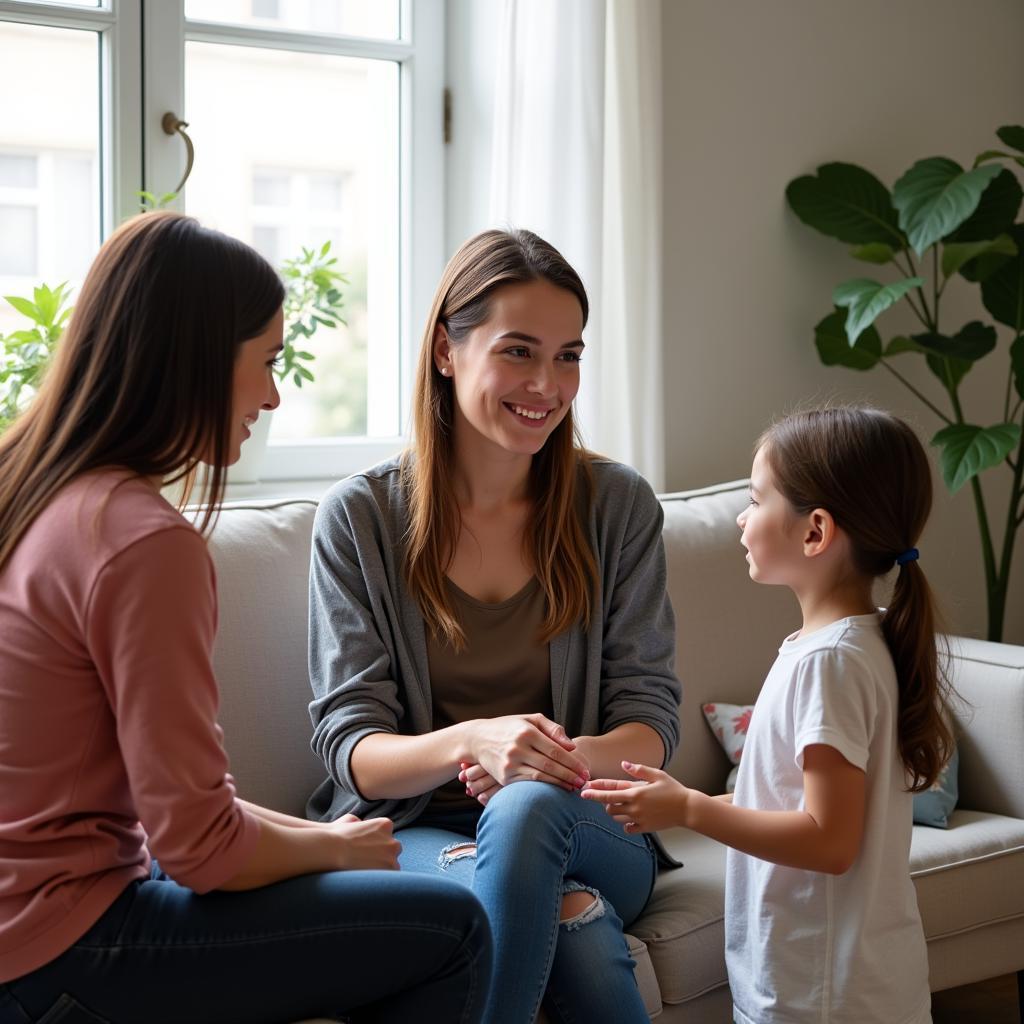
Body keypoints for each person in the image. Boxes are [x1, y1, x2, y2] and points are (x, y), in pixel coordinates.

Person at [0, 211, 492, 1024]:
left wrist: (330, 847)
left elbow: (181, 813)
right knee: (455, 929)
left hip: (32, 925)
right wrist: (335, 847)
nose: (271, 394)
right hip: (67, 947)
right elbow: (199, 850)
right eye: (264, 362)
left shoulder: (35, 496)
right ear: (191, 359)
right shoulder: (138, 543)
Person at [307, 227, 681, 1023]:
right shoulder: (361, 518)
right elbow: (353, 749)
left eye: (569, 355)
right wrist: (474, 743)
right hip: (412, 832)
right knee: (568, 918)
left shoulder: (616, 508)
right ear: (447, 349)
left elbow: (650, 720)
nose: (547, 383)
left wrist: (545, 763)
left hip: (592, 823)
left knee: (525, 809)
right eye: (518, 351)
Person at [583, 406, 950, 1024]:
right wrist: (683, 801)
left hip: (822, 993)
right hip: (847, 984)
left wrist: (693, 811)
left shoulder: (828, 664)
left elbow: (830, 841)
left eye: (756, 500)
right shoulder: (851, 645)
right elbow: (790, 806)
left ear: (815, 532)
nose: (741, 516)